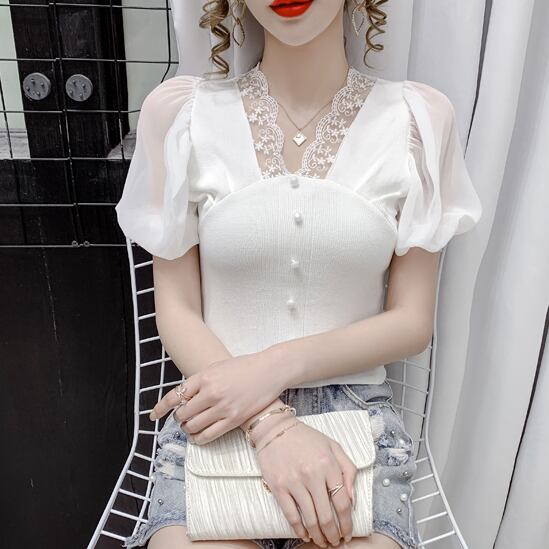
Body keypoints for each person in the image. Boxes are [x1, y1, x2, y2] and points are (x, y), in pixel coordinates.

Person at [115, 1, 482, 548]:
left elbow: (412, 321)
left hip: (355, 420)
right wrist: (270, 423)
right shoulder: (181, 117)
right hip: (221, 415)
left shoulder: (417, 121)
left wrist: (269, 369)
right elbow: (177, 309)